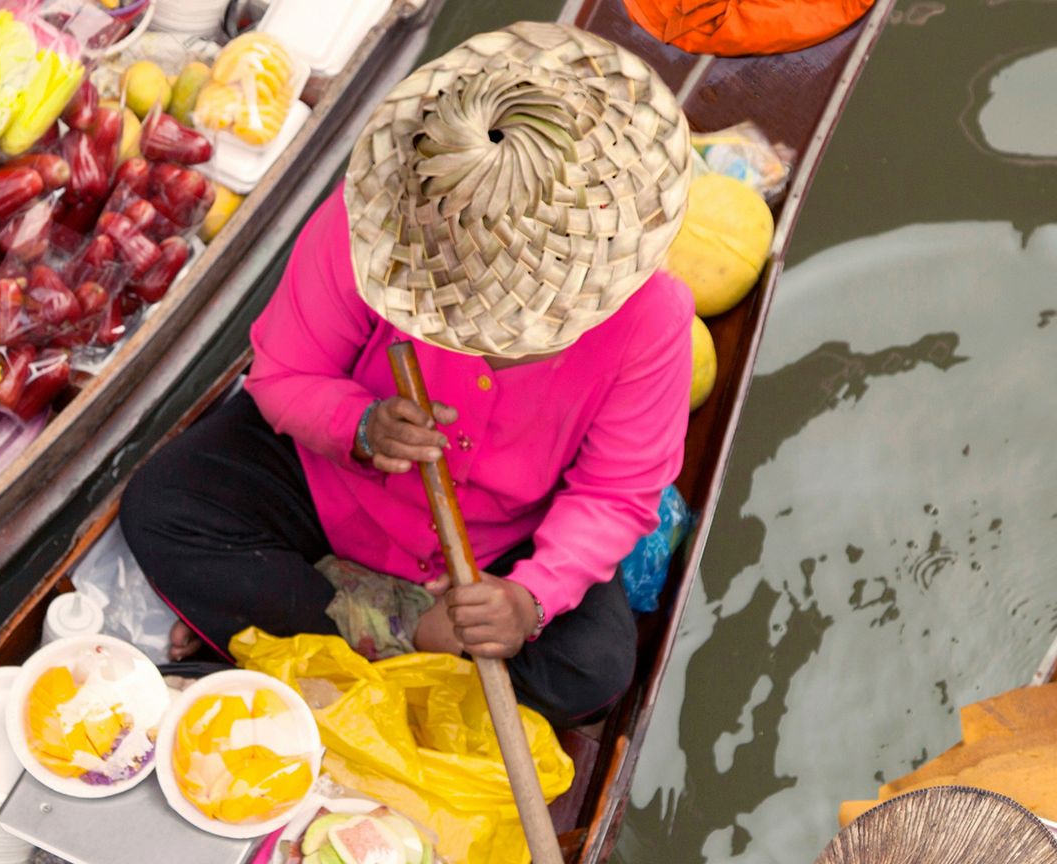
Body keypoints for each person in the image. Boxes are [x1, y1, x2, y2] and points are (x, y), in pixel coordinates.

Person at [121, 22, 695, 728]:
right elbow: (283, 375)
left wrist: (528, 600)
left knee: (590, 671)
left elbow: (615, 492)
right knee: (162, 506)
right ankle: (401, 642)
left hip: (502, 545)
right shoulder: (373, 226)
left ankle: (319, 636)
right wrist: (357, 426)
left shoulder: (654, 317)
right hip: (339, 494)